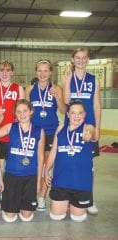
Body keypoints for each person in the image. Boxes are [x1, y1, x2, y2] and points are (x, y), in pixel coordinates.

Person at [62, 48, 101, 215]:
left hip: (88, 126)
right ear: (72, 59)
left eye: (84, 58)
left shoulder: (94, 79)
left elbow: (96, 105)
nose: (81, 60)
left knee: (88, 165)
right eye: (77, 58)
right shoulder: (67, 77)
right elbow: (65, 102)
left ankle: (89, 198)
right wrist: (67, 80)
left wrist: (97, 129)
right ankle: (71, 197)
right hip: (70, 126)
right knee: (70, 163)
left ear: (88, 59)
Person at [25, 59, 66, 211]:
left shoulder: (57, 88)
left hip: (50, 131)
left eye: (45, 71)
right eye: (40, 71)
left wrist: (57, 97)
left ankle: (42, 197)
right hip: (34, 132)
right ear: (36, 72)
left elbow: (63, 110)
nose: (42, 74)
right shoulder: (29, 89)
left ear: (50, 72)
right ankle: (31, 193)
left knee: (47, 166)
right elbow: (25, 112)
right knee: (34, 165)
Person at [44, 100, 95, 222]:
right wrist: (46, 171)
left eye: (80, 113)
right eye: (73, 113)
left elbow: (91, 133)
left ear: (85, 114)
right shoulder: (61, 129)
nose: (76, 116)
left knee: (78, 219)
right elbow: (53, 152)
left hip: (81, 184)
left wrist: (89, 134)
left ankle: (72, 205)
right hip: (61, 182)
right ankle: (65, 204)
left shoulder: (88, 127)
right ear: (67, 114)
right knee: (56, 217)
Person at [0, 99, 45, 222]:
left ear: (31, 111)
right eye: (18, 112)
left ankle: (20, 204)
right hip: (12, 177)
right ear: (14, 113)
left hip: (30, 177)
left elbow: (41, 157)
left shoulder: (39, 131)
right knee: (10, 217)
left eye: (25, 111)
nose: (22, 114)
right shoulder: (11, 127)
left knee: (27, 217)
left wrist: (38, 182)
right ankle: (9, 201)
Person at [0, 60, 25, 173]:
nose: (4, 73)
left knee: (10, 167)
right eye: (1, 70)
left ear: (12, 72)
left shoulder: (18, 88)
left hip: (10, 133)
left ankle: (8, 190)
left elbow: (22, 112)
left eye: (8, 70)